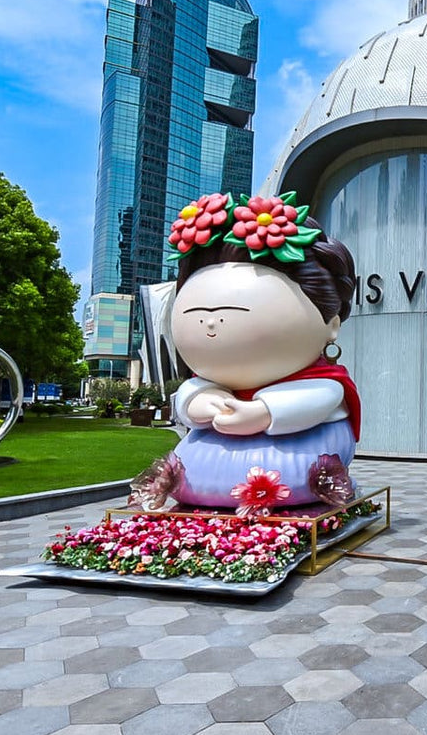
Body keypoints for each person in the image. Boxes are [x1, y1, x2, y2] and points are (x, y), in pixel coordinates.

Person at [137, 191, 360, 512]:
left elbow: (318, 399)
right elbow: (188, 394)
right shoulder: (211, 383)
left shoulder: (325, 385)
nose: (211, 322)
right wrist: (197, 403)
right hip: (209, 451)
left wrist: (265, 412)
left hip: (299, 452)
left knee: (292, 472)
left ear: (331, 325)